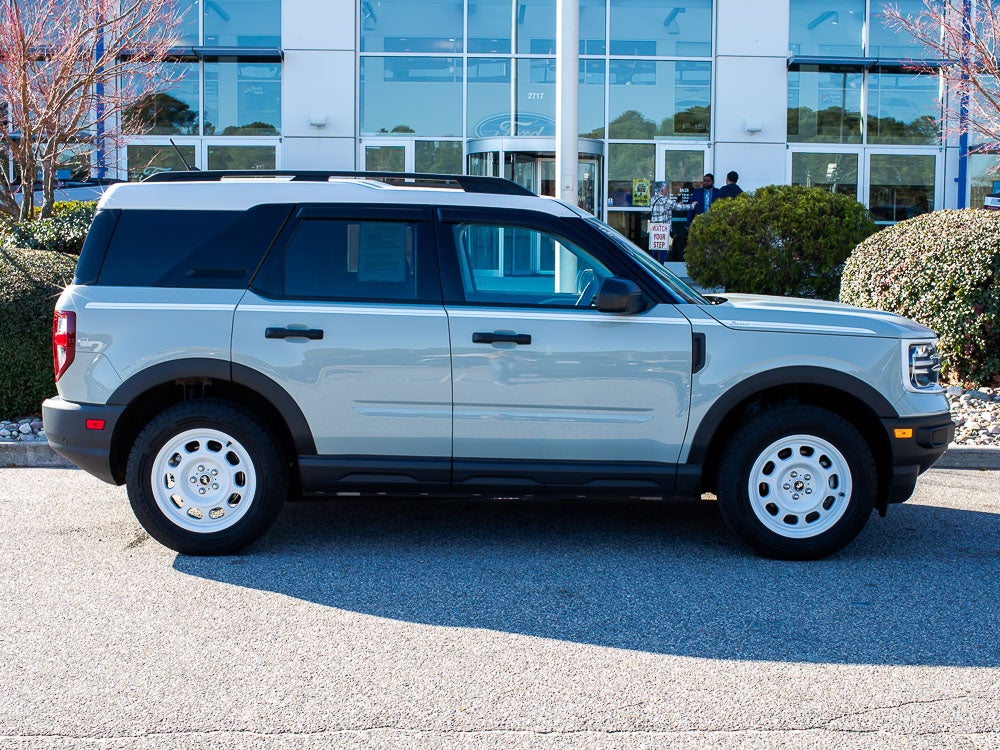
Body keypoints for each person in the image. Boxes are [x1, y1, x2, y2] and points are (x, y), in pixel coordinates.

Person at [649, 182, 695, 263]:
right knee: (663, 251)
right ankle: (661, 269)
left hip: (654, 228)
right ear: (662, 190)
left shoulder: (653, 199)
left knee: (655, 250)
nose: (667, 190)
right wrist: (692, 205)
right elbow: (679, 207)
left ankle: (653, 267)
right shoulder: (665, 200)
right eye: (666, 188)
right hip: (663, 228)